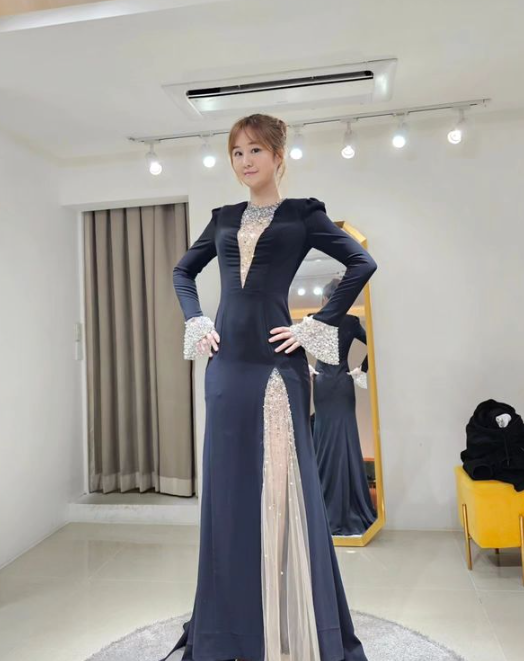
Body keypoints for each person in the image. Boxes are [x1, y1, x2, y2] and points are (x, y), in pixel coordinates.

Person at [158, 113, 377, 661]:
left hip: (275, 368)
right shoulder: (223, 218)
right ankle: (229, 627)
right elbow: (183, 272)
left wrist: (315, 324)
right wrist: (196, 320)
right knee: (229, 490)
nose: (245, 161)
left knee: (280, 488)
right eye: (237, 153)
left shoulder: (304, 215)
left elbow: (361, 262)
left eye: (255, 150)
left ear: (279, 156)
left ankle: (285, 622)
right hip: (225, 366)